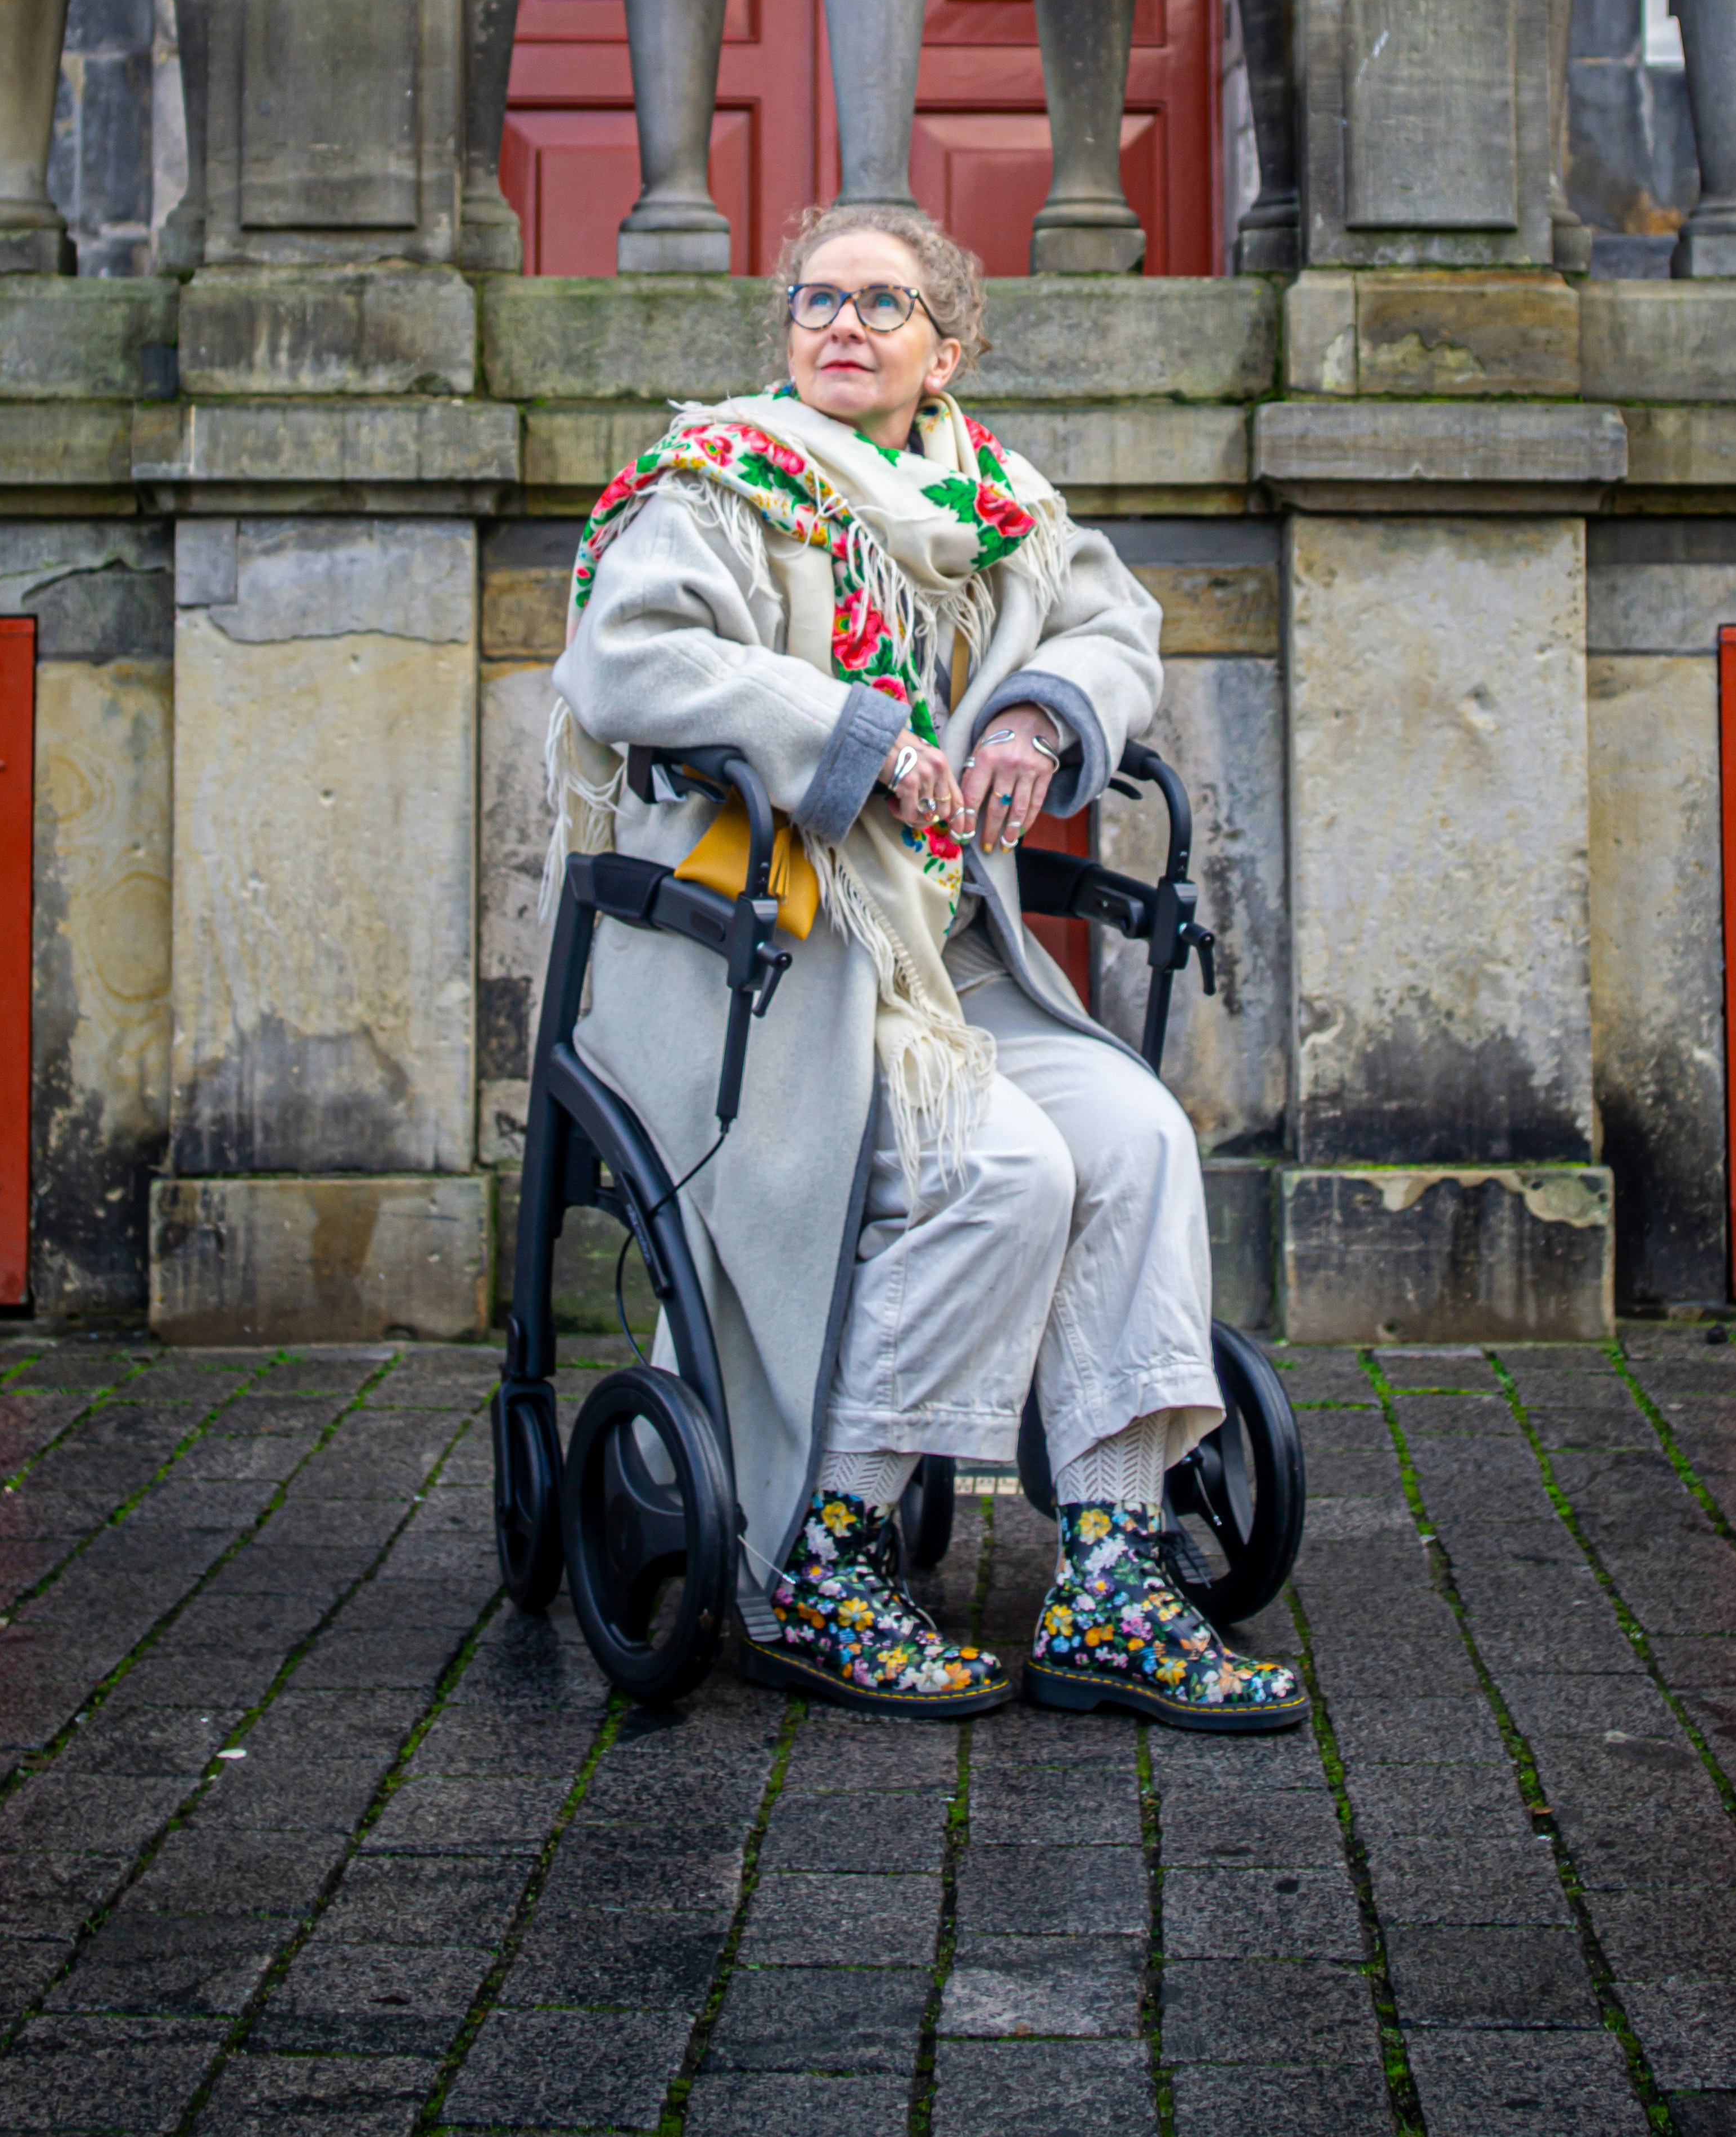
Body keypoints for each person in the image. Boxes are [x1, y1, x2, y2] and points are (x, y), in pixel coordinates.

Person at [547, 201, 1302, 1733]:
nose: (838, 323)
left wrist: (1034, 715)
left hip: (938, 962)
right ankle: (826, 1553)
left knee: (1137, 1134)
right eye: (817, 298)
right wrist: (856, 739)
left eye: (879, 304)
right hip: (757, 960)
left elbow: (1115, 622)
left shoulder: (993, 498)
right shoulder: (714, 484)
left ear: (943, 349)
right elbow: (625, 661)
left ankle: (1108, 1576)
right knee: (1009, 1165)